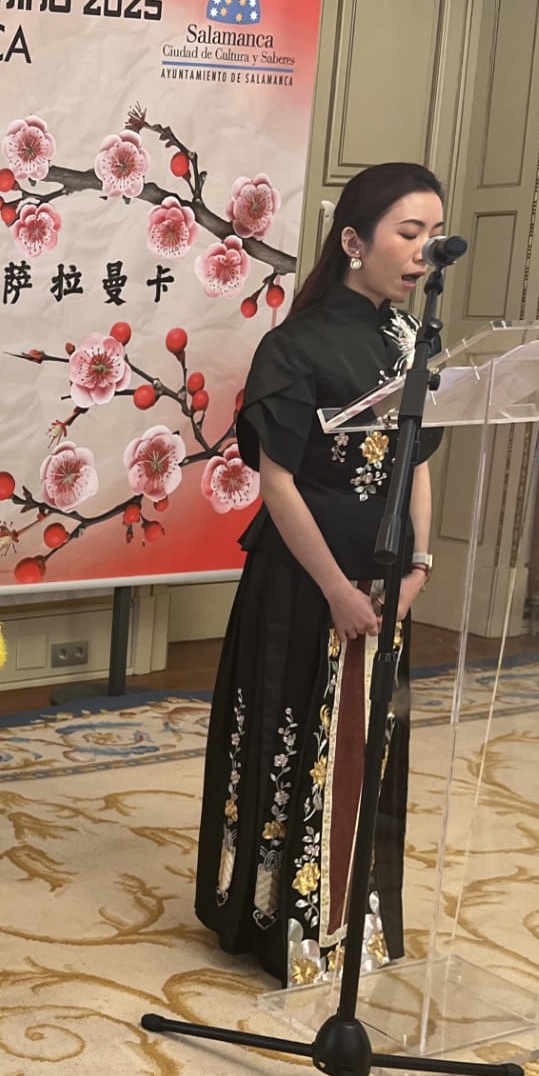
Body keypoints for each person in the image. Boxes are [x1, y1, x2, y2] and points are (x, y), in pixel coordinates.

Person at [195, 161, 447, 986]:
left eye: (432, 237)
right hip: (306, 577)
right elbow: (277, 481)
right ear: (352, 241)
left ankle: (353, 912)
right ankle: (279, 921)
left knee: (366, 746)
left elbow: (417, 461)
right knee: (292, 734)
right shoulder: (293, 344)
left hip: (386, 578)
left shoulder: (412, 341)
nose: (423, 253)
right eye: (408, 235)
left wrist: (419, 563)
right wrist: (338, 588)